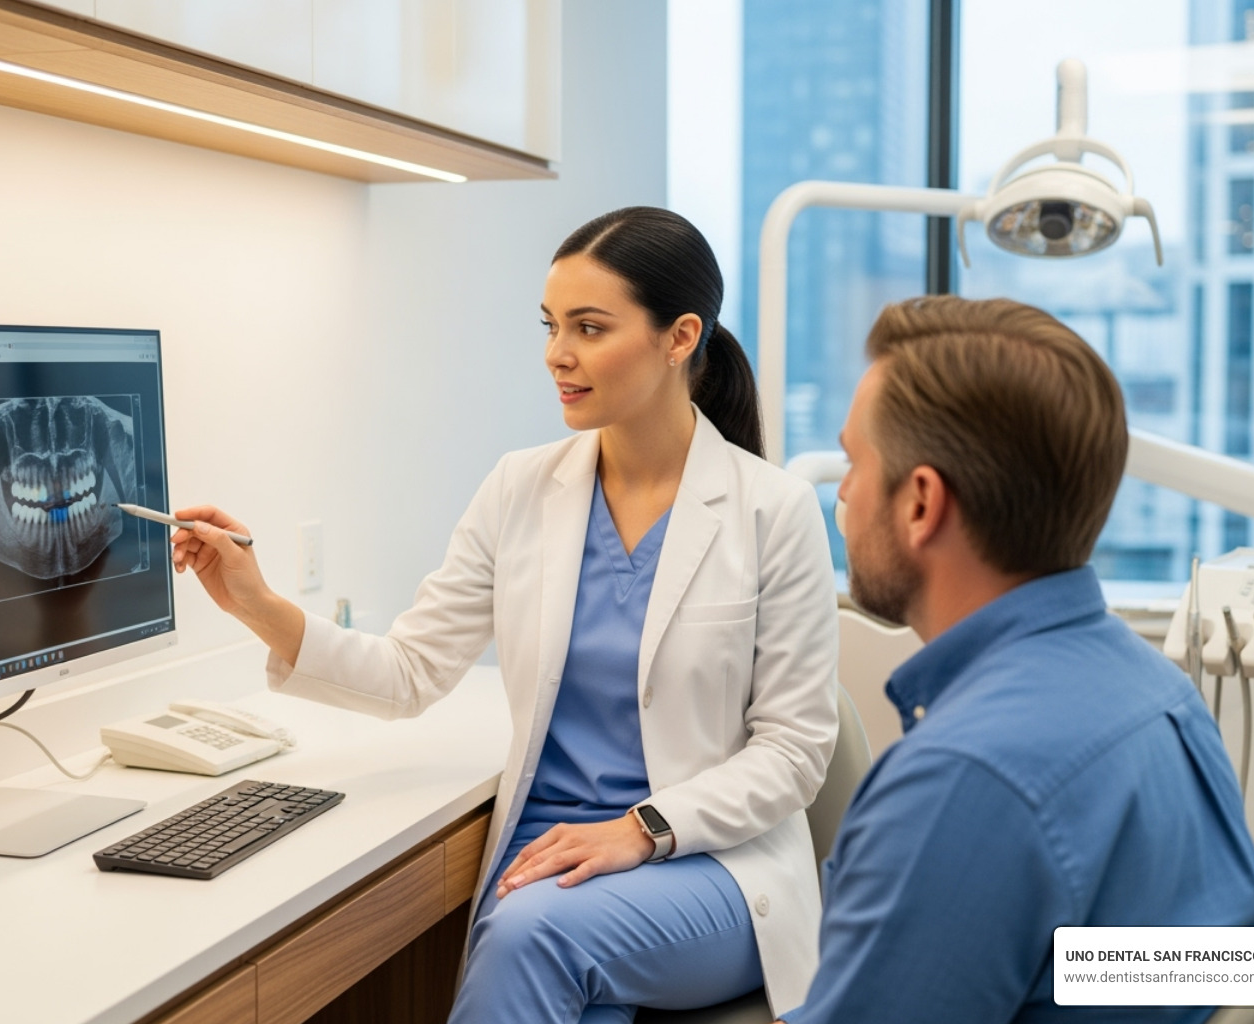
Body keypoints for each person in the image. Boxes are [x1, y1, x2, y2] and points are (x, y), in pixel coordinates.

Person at [170, 207, 840, 1023]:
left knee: (533, 935)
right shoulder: (520, 488)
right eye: (553, 325)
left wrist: (642, 827)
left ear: (679, 337)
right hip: (550, 854)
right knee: (550, 955)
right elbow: (409, 672)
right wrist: (259, 604)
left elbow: (795, 750)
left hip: (708, 862)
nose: (559, 354)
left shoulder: (773, 509)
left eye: (590, 328)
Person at [780, 296, 1254, 1024]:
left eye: (855, 463)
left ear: (921, 504)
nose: (843, 494)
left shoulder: (962, 781)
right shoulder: (1162, 694)